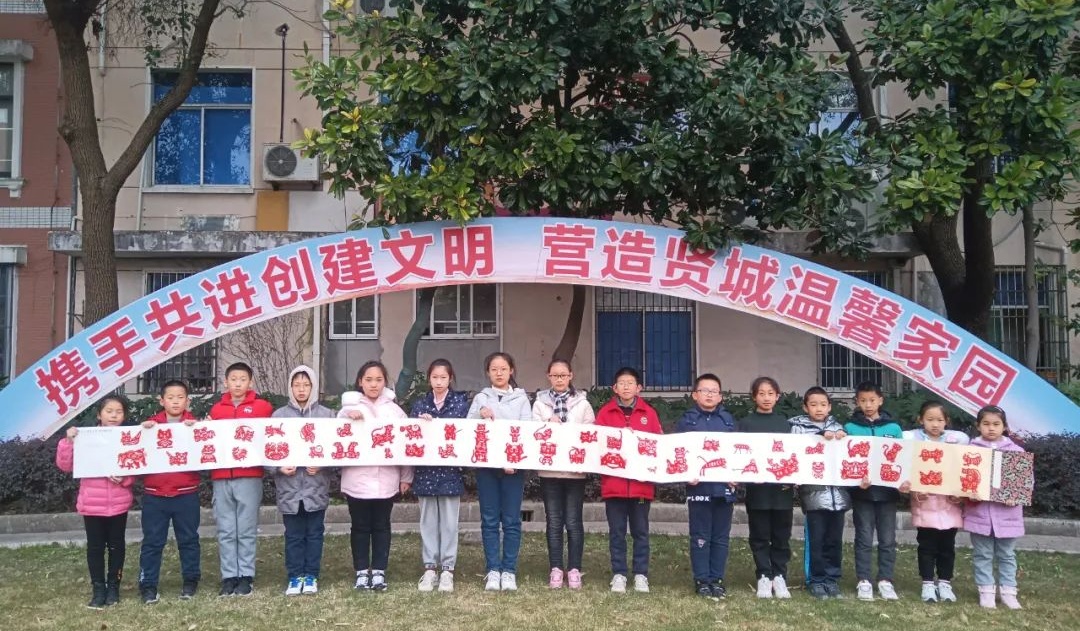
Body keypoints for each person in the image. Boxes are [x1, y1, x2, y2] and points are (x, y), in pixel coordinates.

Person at [339, 361, 414, 592]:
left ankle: (379, 570)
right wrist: (346, 418)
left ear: (385, 382)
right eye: (369, 380)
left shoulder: (394, 411)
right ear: (360, 382)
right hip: (357, 479)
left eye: (379, 380)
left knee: (382, 526)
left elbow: (406, 443)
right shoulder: (348, 408)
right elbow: (336, 440)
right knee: (359, 526)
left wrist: (406, 476)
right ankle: (362, 571)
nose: (373, 384)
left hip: (386, 479)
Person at [55, 395, 135, 609]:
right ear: (99, 414)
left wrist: (125, 479)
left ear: (124, 415)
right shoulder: (85, 437)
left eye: (118, 411)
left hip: (118, 503)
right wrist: (67, 442)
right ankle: (98, 588)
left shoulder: (128, 438)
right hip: (92, 504)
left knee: (117, 546)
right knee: (95, 547)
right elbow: (65, 466)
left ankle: (114, 587)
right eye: (109, 411)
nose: (114, 415)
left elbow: (136, 468)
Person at [594, 367, 663, 594]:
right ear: (614, 388)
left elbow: (659, 445)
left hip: (641, 486)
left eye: (630, 383)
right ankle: (619, 574)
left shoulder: (649, 413)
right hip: (614, 485)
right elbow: (596, 445)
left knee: (640, 531)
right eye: (621, 383)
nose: (626, 387)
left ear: (638, 388)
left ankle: (641, 574)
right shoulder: (605, 414)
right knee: (617, 532)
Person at [207, 362, 274, 597]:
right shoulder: (216, 410)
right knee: (226, 529)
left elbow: (273, 435)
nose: (237, 384)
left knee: (246, 528)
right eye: (233, 379)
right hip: (221, 475)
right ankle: (229, 576)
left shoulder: (263, 408)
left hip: (250, 475)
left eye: (242, 379)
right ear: (225, 382)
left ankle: (246, 575)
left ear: (250, 382)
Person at [468, 351, 533, 591]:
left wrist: (512, 459)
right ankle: (493, 569)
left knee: (512, 520)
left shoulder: (521, 399)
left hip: (513, 468)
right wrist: (480, 414)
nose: (499, 373)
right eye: (494, 369)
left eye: (503, 369)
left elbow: (526, 431)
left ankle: (509, 570)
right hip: (487, 467)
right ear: (488, 372)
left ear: (511, 371)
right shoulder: (481, 398)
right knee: (489, 519)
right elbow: (467, 428)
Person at [270, 365, 335, 596]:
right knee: (293, 535)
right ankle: (295, 575)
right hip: (289, 488)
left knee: (315, 534)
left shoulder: (327, 415)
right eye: (296, 385)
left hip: (315, 486)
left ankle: (311, 575)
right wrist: (278, 467)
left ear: (313, 387)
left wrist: (323, 464)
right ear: (290, 387)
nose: (301, 389)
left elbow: (338, 450)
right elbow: (267, 451)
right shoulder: (278, 416)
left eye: (306, 385)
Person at [532, 359, 595, 590]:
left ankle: (575, 568)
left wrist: (584, 462)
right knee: (554, 521)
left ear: (570, 376)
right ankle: (556, 568)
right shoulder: (540, 404)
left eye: (563, 375)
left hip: (575, 472)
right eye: (555, 375)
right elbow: (533, 432)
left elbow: (591, 435)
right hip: (549, 470)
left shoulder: (583, 403)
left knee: (574, 521)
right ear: (548, 376)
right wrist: (547, 423)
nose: (559, 379)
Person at [138, 381, 202, 604]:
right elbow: (135, 452)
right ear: (162, 401)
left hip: (186, 492)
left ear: (188, 400)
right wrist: (142, 433)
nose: (175, 402)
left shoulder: (195, 425)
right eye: (171, 397)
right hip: (155, 494)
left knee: (189, 539)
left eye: (180, 397)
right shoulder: (149, 426)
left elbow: (207, 454)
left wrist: (199, 432)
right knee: (152, 542)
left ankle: (191, 580)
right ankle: (148, 584)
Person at [675, 373, 738, 600]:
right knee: (700, 535)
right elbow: (677, 452)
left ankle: (717, 579)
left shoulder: (728, 421)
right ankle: (702, 579)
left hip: (724, 488)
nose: (709, 395)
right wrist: (685, 474)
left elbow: (739, 452)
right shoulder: (687, 421)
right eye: (704, 390)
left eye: (714, 391)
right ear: (695, 395)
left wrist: (737, 475)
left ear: (720, 396)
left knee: (721, 536)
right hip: (699, 488)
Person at [410, 359, 469, 593]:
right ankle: (429, 567)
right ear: (429, 379)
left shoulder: (460, 404)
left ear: (450, 378)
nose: (439, 382)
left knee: (449, 523)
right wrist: (420, 423)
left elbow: (466, 435)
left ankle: (447, 568)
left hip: (450, 472)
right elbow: (410, 436)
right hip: (425, 472)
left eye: (443, 377)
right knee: (427, 522)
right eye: (434, 377)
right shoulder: (420, 404)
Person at [902, 401, 969, 603]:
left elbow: (963, 470)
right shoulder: (913, 441)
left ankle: (945, 583)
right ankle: (928, 583)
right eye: (930, 419)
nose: (935, 424)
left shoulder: (956, 442)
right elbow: (908, 471)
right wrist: (915, 493)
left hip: (950, 505)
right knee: (926, 546)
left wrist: (960, 494)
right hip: (925, 505)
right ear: (920, 420)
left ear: (946, 421)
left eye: (939, 420)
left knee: (947, 547)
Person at [844, 381, 903, 601]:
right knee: (864, 537)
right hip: (862, 493)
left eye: (872, 400)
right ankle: (864, 580)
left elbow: (902, 458)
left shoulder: (893, 428)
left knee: (887, 539)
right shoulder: (850, 428)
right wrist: (854, 481)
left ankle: (886, 579)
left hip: (887, 493)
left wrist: (902, 482)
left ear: (880, 400)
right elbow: (845, 459)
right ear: (856, 402)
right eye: (863, 400)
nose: (868, 405)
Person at [789, 387, 849, 600]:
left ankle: (832, 579)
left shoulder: (839, 428)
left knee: (834, 540)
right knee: (816, 539)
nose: (819, 408)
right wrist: (819, 437)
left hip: (838, 495)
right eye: (813, 405)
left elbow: (849, 456)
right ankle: (815, 579)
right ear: (805, 407)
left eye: (823, 404)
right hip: (814, 494)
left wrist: (843, 439)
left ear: (829, 407)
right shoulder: (797, 429)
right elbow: (794, 452)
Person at [965, 405, 1027, 610]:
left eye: (996, 424)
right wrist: (968, 492)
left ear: (1005, 426)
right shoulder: (971, 451)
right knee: (982, 554)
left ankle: (1009, 592)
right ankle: (986, 591)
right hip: (979, 514)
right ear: (978, 426)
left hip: (1007, 515)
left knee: (1007, 554)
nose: (991, 428)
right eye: (986, 424)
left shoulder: (1016, 452)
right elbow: (962, 477)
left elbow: (1026, 481)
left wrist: (1015, 496)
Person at [738, 376, 793, 599]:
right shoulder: (745, 424)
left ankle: (779, 575)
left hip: (782, 490)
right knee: (759, 535)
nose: (766, 398)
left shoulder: (785, 424)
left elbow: (794, 454)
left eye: (771, 393)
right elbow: (739, 454)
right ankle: (763, 575)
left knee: (781, 535)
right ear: (754, 397)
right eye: (761, 393)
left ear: (777, 396)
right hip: (757, 490)